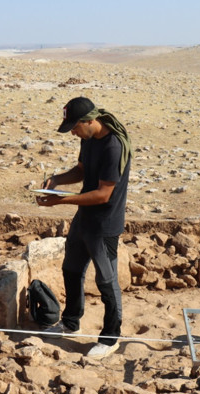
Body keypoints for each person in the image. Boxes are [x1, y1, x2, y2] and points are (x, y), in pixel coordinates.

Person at [35, 97, 132, 360]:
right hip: (84, 218)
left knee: (106, 281)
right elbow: (80, 171)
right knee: (71, 269)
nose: (73, 133)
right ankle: (70, 322)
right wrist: (56, 180)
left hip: (104, 224)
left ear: (90, 120)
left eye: (75, 127)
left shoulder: (112, 147)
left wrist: (61, 201)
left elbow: (102, 195)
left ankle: (111, 337)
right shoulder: (88, 139)